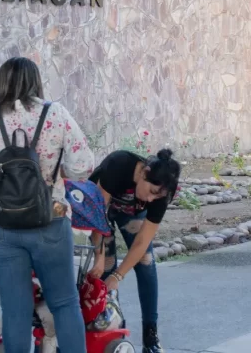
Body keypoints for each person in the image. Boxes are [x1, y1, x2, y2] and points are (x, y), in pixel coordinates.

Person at [0, 57, 96, 353]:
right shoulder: (56, 113)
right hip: (51, 215)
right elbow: (84, 166)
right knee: (64, 302)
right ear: (35, 81)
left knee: (14, 308)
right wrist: (55, 175)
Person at [87, 148, 183, 353]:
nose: (150, 199)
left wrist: (119, 276)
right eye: (150, 191)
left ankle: (151, 337)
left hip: (130, 214)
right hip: (100, 211)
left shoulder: (160, 194)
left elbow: (143, 241)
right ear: (144, 172)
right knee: (106, 266)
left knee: (146, 262)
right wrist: (99, 256)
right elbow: (97, 216)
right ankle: (114, 331)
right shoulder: (119, 164)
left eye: (156, 196)